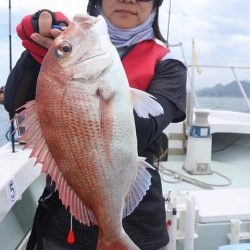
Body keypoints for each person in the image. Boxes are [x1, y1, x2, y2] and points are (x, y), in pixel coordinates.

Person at [4, 0, 187, 249]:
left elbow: (144, 131)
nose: (129, 0)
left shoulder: (169, 64)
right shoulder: (66, 61)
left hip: (140, 227)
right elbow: (15, 102)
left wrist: (69, 70)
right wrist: (35, 55)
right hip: (61, 223)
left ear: (155, 5)